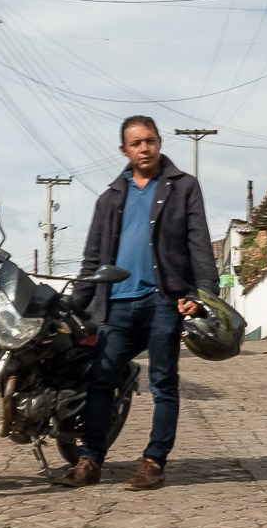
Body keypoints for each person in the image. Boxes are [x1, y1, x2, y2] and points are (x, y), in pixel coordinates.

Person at [64, 116, 218, 491]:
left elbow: (199, 243)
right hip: (115, 303)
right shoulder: (110, 197)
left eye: (149, 141)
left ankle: (153, 460)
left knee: (163, 382)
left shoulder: (183, 188)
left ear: (160, 142)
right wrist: (76, 307)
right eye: (136, 144)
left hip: (164, 301)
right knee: (101, 380)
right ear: (124, 150)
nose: (144, 149)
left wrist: (203, 297)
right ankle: (90, 459)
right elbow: (92, 258)